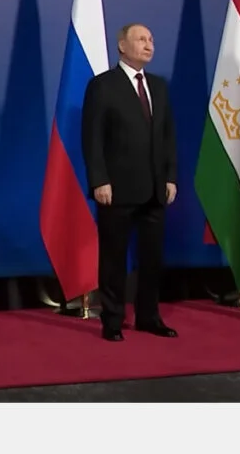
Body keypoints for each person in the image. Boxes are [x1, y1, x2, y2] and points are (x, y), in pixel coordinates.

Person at [81, 23, 179, 342]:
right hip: (116, 189)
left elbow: (167, 137)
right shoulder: (103, 85)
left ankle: (149, 317)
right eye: (141, 39)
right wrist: (99, 180)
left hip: (155, 188)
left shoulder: (159, 86)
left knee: (152, 259)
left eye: (151, 39)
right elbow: (92, 138)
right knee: (113, 258)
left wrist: (170, 177)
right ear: (122, 46)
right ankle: (112, 319)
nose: (149, 45)